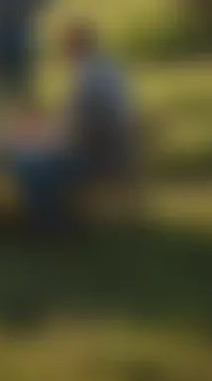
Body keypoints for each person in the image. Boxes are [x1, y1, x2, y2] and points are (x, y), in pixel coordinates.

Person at [10, 18, 137, 232]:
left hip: (100, 157)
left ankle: (50, 225)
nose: (60, 52)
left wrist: (46, 136)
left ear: (74, 46)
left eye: (63, 46)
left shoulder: (91, 76)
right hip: (105, 148)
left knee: (29, 165)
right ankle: (46, 218)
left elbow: (87, 127)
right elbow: (78, 118)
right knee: (31, 158)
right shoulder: (99, 68)